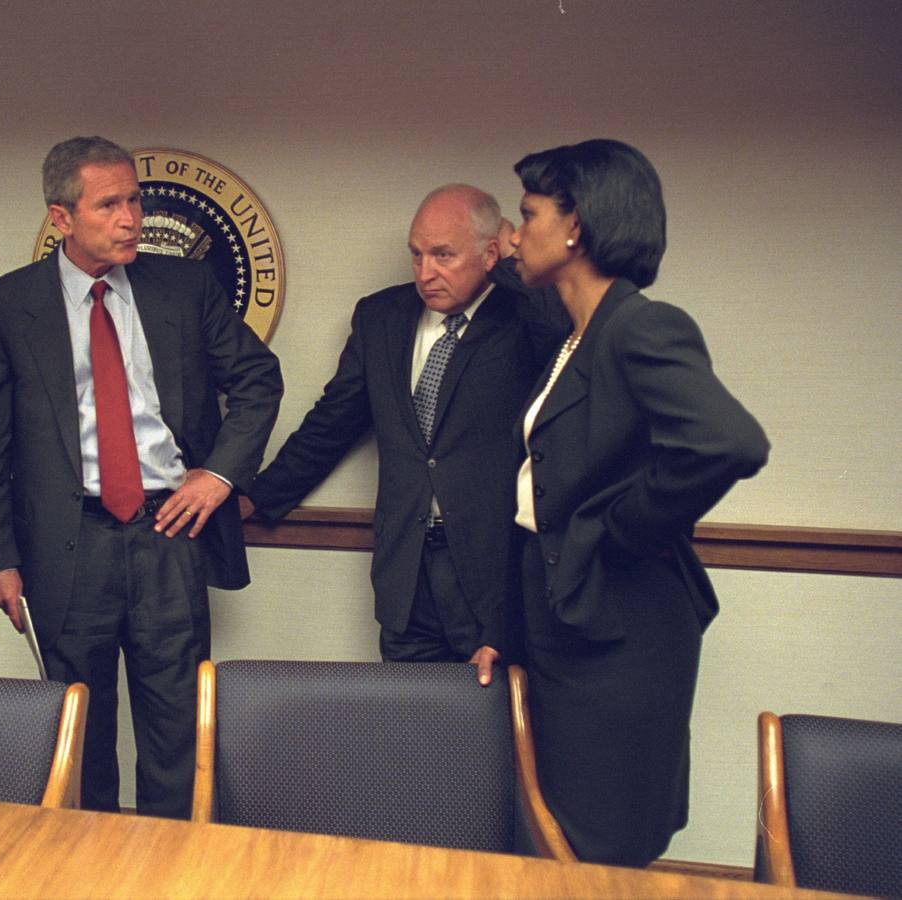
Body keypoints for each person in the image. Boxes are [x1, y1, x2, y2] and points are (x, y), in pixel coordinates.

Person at [0, 136, 282, 818]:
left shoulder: (186, 285)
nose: (131, 217)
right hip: (66, 543)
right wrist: (1, 557)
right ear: (61, 217)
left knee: (178, 733)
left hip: (169, 533)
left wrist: (221, 475)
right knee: (79, 734)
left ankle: (171, 876)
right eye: (109, 205)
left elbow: (258, 380)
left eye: (135, 199)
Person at [509, 138, 769, 865]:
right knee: (558, 836)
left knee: (602, 843)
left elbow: (729, 441)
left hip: (621, 629)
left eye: (528, 214)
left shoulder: (641, 325)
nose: (514, 233)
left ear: (575, 228)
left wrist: (618, 525)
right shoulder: (576, 336)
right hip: (569, 615)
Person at [244, 185, 568, 682]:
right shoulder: (382, 317)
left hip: (494, 580)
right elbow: (333, 423)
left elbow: (564, 328)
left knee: (500, 739)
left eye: (443, 255)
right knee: (411, 738)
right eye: (416, 255)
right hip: (405, 573)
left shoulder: (526, 322)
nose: (425, 273)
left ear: (488, 254)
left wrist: (508, 258)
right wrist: (260, 496)